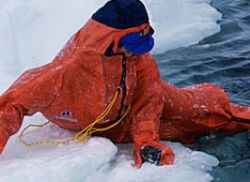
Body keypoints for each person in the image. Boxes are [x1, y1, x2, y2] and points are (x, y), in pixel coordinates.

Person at [0, 0, 250, 167]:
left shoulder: (140, 60)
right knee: (183, 132)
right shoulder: (64, 72)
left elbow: (148, 100)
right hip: (102, 120)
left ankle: (239, 114)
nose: (137, 53)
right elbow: (11, 104)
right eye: (132, 46)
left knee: (194, 109)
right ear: (109, 40)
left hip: (124, 105)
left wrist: (146, 142)